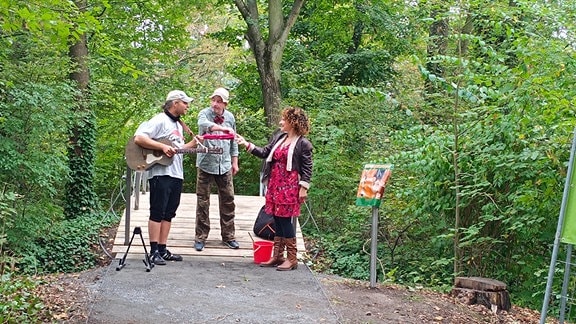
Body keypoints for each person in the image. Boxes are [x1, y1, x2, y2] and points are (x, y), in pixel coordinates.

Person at [236, 107, 313, 271]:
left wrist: (303, 188)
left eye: (284, 119)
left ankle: (292, 258)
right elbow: (265, 152)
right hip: (275, 184)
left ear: (292, 122)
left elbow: (307, 168)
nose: (280, 122)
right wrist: (246, 144)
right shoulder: (280, 137)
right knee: (277, 219)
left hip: (290, 186)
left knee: (285, 220)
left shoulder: (303, 143)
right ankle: (278, 255)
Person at [133, 90, 200, 265]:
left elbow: (175, 149)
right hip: (160, 173)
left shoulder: (180, 125)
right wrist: (161, 147)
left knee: (169, 212)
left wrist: (191, 145)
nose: (187, 106)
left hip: (177, 173)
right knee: (157, 211)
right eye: (185, 103)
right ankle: (153, 251)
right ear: (175, 103)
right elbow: (139, 138)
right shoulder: (159, 120)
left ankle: (162, 249)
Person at [194, 87, 240, 251]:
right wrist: (221, 128)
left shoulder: (230, 117)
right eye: (213, 100)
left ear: (225, 103)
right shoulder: (204, 114)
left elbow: (234, 141)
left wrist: (235, 162)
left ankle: (228, 236)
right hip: (206, 163)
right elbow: (203, 124)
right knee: (203, 201)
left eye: (219, 101)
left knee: (228, 201)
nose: (215, 104)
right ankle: (200, 237)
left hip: (225, 164)